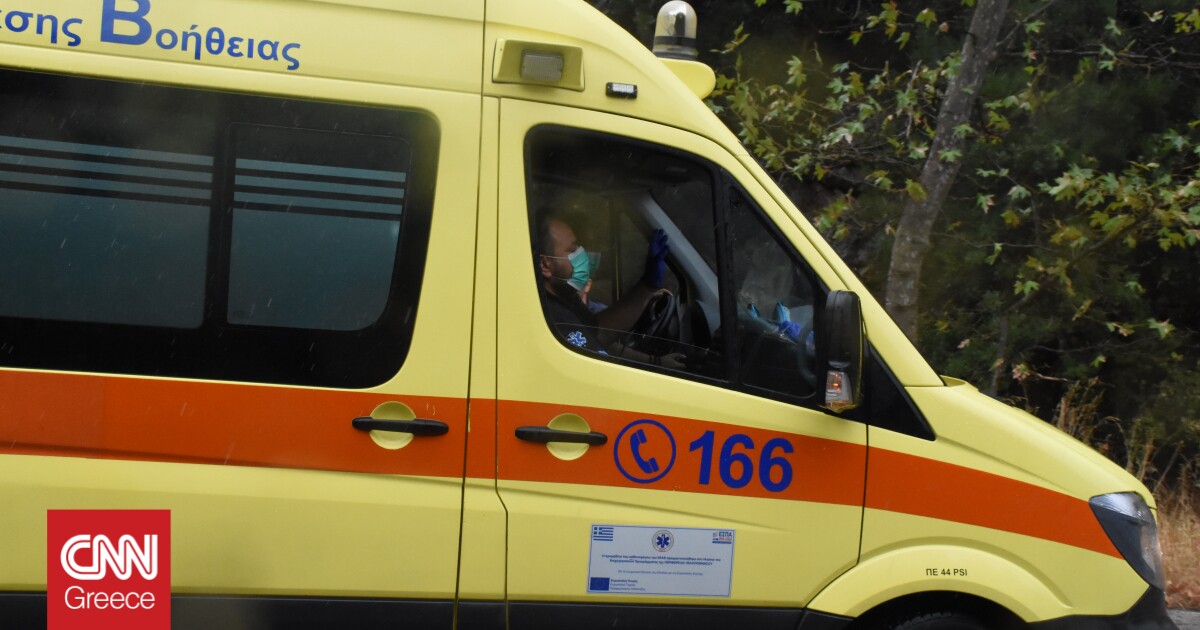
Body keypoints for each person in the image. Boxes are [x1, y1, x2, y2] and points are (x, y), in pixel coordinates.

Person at [534, 212, 686, 369]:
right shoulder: (545, 316)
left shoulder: (566, 299)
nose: (582, 255)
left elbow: (598, 333)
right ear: (545, 265)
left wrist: (647, 286)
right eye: (572, 250)